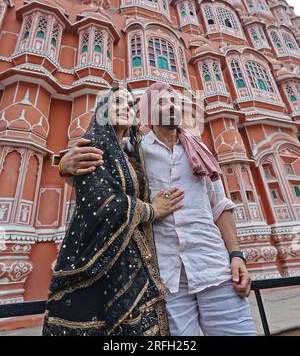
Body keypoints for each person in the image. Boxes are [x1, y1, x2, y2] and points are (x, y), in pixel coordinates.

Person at [59, 82, 257, 336]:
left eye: (174, 100)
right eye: (163, 101)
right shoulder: (134, 149)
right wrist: (64, 164)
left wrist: (236, 256)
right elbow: (95, 172)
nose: (172, 105)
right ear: (149, 112)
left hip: (213, 267)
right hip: (166, 278)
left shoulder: (200, 150)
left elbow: (220, 207)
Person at [42, 86, 184, 336]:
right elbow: (103, 204)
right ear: (102, 111)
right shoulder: (94, 144)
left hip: (136, 257)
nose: (126, 109)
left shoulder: (131, 150)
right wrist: (152, 211)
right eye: (117, 102)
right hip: (98, 259)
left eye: (131, 105)